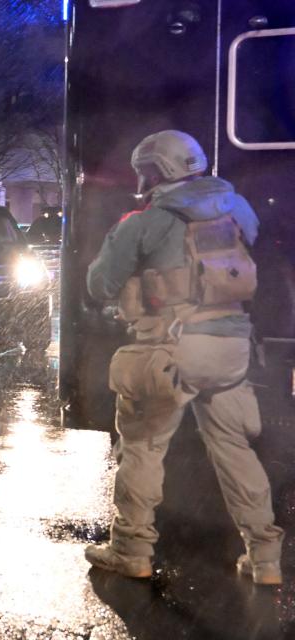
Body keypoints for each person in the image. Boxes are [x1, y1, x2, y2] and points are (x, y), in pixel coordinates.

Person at [84, 130, 284, 584]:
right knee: (235, 450)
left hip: (170, 351)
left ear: (161, 171)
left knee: (143, 448)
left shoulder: (143, 221)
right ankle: (266, 558)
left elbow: (100, 285)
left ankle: (131, 549)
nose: (141, 179)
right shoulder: (238, 208)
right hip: (232, 351)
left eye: (145, 170)